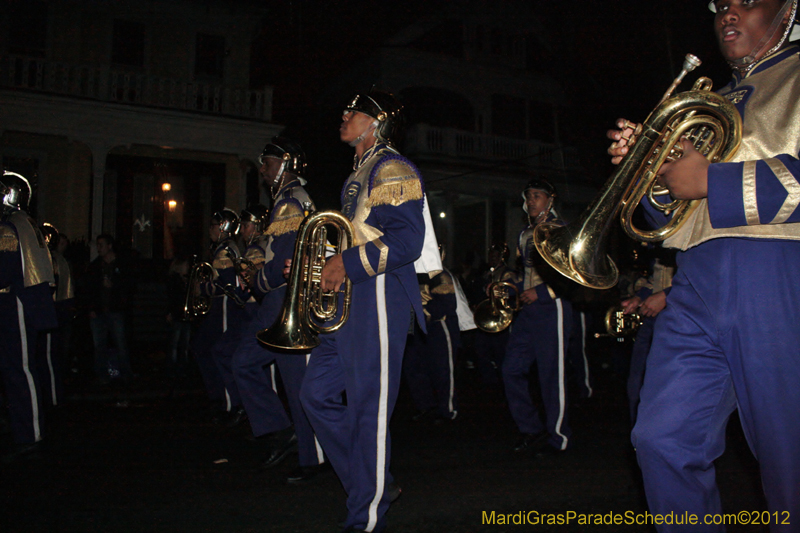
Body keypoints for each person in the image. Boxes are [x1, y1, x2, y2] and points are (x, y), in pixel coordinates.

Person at [607, 0, 800, 527]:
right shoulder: (710, 97)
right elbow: (665, 212)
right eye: (721, 5)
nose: (728, 14)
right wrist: (652, 170)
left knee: (789, 459)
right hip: (695, 279)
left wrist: (709, 180)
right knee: (660, 439)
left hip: (779, 270)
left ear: (789, 9)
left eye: (748, 1)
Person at [299, 90, 431, 533]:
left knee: (367, 412)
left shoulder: (391, 167)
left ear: (375, 123)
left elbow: (407, 242)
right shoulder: (360, 171)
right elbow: (355, 235)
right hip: (349, 304)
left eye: (353, 111)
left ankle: (366, 518)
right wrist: (311, 262)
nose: (344, 114)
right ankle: (372, 481)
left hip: (375, 301)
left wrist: (345, 263)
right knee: (314, 395)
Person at [231, 139, 325, 481]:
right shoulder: (285, 201)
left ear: (286, 163)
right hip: (279, 299)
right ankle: (284, 432)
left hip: (285, 297)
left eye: (268, 161)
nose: (263, 167)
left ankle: (311, 455)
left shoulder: (290, 202)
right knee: (248, 363)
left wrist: (257, 278)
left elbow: (284, 258)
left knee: (297, 380)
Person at [502, 178, 573, 455]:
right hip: (529, 311)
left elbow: (572, 274)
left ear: (550, 199)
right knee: (511, 369)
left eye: (538, 196)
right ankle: (531, 429)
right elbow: (527, 274)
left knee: (551, 375)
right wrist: (509, 289)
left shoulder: (561, 230)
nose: (531, 200)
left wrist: (542, 293)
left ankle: (559, 437)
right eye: (529, 195)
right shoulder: (525, 233)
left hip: (552, 307)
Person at [0, 171, 57, 459]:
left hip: (16, 299)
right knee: (16, 368)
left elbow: (5, 268)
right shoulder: (21, 223)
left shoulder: (11, 226)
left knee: (20, 368)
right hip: (17, 299)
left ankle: (30, 432)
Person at [190, 209, 248, 420]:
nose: (210, 230)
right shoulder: (221, 248)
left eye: (214, 226)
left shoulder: (226, 251)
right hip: (218, 310)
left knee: (218, 352)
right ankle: (219, 398)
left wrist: (203, 289)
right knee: (203, 349)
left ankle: (230, 404)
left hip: (224, 310)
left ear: (223, 227)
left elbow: (228, 285)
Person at [404, 249, 461, 422]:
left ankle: (449, 410)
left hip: (439, 326)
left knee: (443, 371)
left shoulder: (439, 274)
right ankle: (426, 406)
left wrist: (423, 314)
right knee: (414, 369)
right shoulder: (411, 273)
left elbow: (447, 305)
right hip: (417, 328)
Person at [620, 251, 674, 426]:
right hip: (652, 320)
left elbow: (703, 275)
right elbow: (657, 276)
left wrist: (667, 296)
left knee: (669, 388)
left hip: (680, 318)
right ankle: (640, 438)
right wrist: (640, 297)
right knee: (637, 382)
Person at [83, 233, 133, 384]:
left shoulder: (121, 264)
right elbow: (89, 289)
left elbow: (129, 286)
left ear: (109, 246)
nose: (99, 248)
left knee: (120, 343)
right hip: (99, 311)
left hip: (116, 310)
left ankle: (126, 375)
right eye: (97, 245)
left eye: (101, 245)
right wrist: (91, 308)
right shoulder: (95, 266)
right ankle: (101, 375)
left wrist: (115, 287)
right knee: (99, 345)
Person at [37, 222, 75, 407]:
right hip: (58, 310)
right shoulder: (56, 258)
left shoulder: (52, 259)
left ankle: (53, 398)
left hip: (54, 311)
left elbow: (54, 287)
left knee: (50, 355)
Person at [472, 242, 517, 386]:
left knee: (501, 352)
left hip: (500, 318)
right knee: (481, 350)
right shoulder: (486, 272)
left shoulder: (507, 273)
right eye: (491, 255)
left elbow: (510, 293)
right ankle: (489, 379)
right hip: (486, 316)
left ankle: (504, 381)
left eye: (496, 256)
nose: (493, 258)